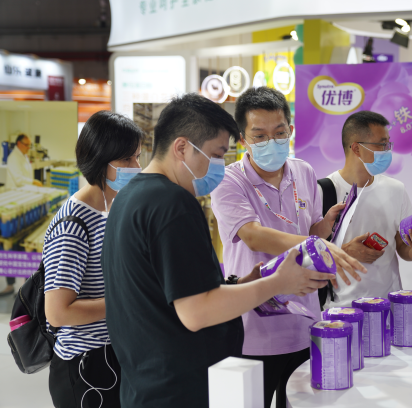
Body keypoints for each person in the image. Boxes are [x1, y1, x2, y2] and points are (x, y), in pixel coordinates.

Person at [101, 93, 334, 408]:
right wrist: (278, 283)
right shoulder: (173, 205)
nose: (219, 167)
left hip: (144, 382)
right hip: (178, 387)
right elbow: (196, 312)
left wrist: (240, 285)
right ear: (182, 147)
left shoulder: (128, 197)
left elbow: (169, 291)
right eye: (215, 154)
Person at [210, 87, 366, 408]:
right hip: (253, 329)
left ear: (290, 130)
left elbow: (307, 230)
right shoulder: (228, 181)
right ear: (243, 139)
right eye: (260, 135)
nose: (272, 142)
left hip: (304, 324)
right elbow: (253, 235)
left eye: (280, 133)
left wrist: (324, 229)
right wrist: (314, 243)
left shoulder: (304, 172)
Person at [43, 111, 144, 407]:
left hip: (114, 354)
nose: (136, 167)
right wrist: (129, 302)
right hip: (86, 365)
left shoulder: (110, 211)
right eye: (127, 159)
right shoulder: (73, 223)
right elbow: (58, 312)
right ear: (101, 160)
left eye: (137, 157)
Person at [318, 111, 412, 309]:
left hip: (388, 307)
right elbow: (304, 254)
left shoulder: (396, 189)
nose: (387, 151)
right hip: (339, 309)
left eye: (388, 144)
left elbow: (402, 248)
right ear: (356, 148)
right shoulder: (323, 191)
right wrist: (342, 251)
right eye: (382, 145)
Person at [1, 134, 43, 297]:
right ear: (19, 143)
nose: (29, 148)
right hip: (13, 205)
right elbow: (19, 180)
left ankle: (25, 287)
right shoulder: (13, 158)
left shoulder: (24, 156)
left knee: (24, 246)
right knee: (9, 246)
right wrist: (33, 182)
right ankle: (10, 285)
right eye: (26, 145)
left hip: (25, 202)